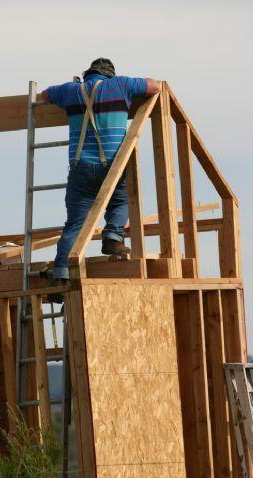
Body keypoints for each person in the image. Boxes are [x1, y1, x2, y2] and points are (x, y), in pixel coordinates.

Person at [41, 58, 161, 302]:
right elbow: (155, 86)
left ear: (88, 75)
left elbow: (43, 95)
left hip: (80, 168)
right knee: (120, 202)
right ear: (109, 75)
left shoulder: (70, 91)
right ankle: (113, 238)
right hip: (113, 166)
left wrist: (71, 90)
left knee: (75, 224)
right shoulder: (121, 85)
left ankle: (61, 274)